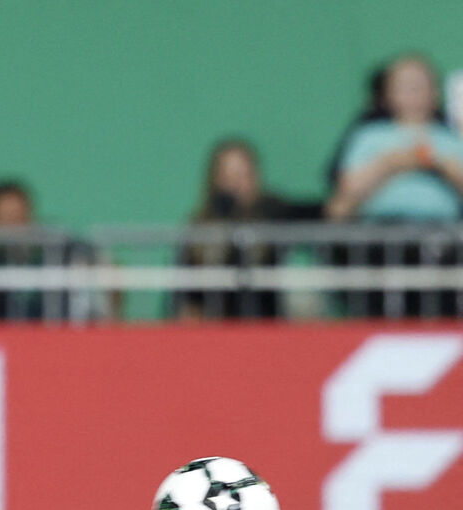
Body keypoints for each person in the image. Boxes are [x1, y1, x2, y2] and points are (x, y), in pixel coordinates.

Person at [325, 52, 463, 317]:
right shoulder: (369, 136)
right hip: (381, 241)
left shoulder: (451, 138)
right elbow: (346, 192)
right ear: (388, 94)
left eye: (421, 84)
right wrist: (391, 163)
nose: (414, 92)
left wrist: (439, 162)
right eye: (405, 85)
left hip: (442, 242)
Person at [176, 139, 307, 320]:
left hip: (268, 324)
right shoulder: (200, 227)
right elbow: (188, 296)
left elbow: (317, 216)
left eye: (243, 175)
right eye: (229, 177)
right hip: (216, 328)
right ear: (215, 181)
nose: (236, 185)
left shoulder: (274, 212)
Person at [0, 178, 99, 322]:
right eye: (5, 219)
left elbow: (97, 259)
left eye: (18, 216)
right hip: (4, 338)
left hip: (60, 334)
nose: (13, 226)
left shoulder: (61, 247)